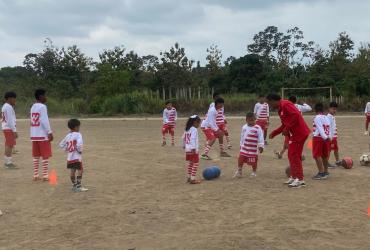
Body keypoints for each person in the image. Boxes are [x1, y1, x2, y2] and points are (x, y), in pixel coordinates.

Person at [267, 93, 310, 188]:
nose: (269, 106)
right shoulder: (280, 110)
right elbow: (284, 125)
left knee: (294, 155)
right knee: (291, 155)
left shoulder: (286, 104)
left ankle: (300, 179)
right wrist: (275, 132)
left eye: (269, 103)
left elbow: (296, 115)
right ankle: (294, 177)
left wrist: (287, 128)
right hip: (295, 134)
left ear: (274, 101)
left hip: (300, 133)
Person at [30, 89, 53, 181]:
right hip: (42, 134)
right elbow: (44, 120)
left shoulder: (32, 106)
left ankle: (35, 175)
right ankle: (45, 175)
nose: (45, 97)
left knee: (36, 155)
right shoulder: (43, 107)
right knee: (45, 155)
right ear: (40, 96)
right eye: (44, 95)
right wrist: (49, 132)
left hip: (34, 134)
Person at [59, 119, 88, 192]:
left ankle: (74, 185)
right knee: (80, 169)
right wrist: (79, 150)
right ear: (75, 127)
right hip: (76, 157)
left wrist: (67, 149)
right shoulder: (78, 134)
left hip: (70, 157)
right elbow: (79, 144)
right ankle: (78, 186)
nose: (79, 128)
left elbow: (61, 144)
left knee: (72, 171)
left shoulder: (68, 135)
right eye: (78, 127)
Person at [233, 112, 264, 178]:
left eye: (253, 120)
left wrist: (261, 146)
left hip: (253, 149)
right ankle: (239, 171)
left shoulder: (258, 128)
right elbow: (242, 136)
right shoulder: (244, 127)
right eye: (250, 120)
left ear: (255, 119)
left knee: (253, 161)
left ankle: (254, 172)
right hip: (244, 148)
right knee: (240, 159)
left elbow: (261, 137)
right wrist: (241, 144)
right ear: (246, 120)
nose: (252, 122)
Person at [312, 103, 332, 180]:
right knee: (324, 155)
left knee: (317, 155)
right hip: (326, 139)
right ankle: (326, 172)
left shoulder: (317, 117)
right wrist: (328, 137)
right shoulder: (326, 117)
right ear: (323, 110)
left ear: (315, 110)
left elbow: (320, 128)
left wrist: (324, 137)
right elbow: (329, 128)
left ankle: (321, 172)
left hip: (318, 138)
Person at [182, 115, 202, 184]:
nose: (199, 125)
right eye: (198, 123)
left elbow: (183, 138)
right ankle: (192, 179)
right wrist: (193, 148)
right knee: (195, 163)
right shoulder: (194, 129)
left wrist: (184, 145)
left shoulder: (187, 129)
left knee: (191, 163)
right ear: (194, 122)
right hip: (193, 149)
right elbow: (193, 139)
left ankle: (188, 177)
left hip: (188, 149)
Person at [1, 91, 18, 168]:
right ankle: (8, 163)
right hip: (9, 128)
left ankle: (7, 161)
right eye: (14, 99)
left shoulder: (5, 106)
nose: (15, 101)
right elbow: (10, 120)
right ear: (10, 99)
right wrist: (14, 130)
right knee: (10, 145)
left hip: (6, 127)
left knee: (8, 144)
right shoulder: (8, 107)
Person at [327, 102, 341, 168]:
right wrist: (330, 137)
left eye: (335, 109)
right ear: (329, 109)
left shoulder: (332, 116)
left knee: (335, 149)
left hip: (334, 137)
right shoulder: (328, 117)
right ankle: (326, 162)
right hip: (331, 138)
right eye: (333, 109)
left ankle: (337, 161)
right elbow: (328, 128)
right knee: (329, 150)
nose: (334, 110)